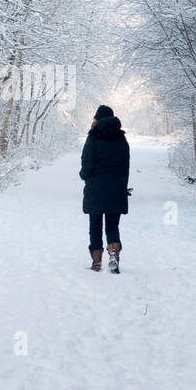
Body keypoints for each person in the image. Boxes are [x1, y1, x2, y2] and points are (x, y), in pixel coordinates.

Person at [79, 104, 129, 272]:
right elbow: (125, 166)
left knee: (95, 226)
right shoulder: (121, 139)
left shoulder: (93, 137)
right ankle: (114, 255)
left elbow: (87, 162)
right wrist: (122, 186)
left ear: (97, 118)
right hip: (116, 189)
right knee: (112, 226)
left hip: (96, 188)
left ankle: (96, 262)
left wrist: (84, 175)